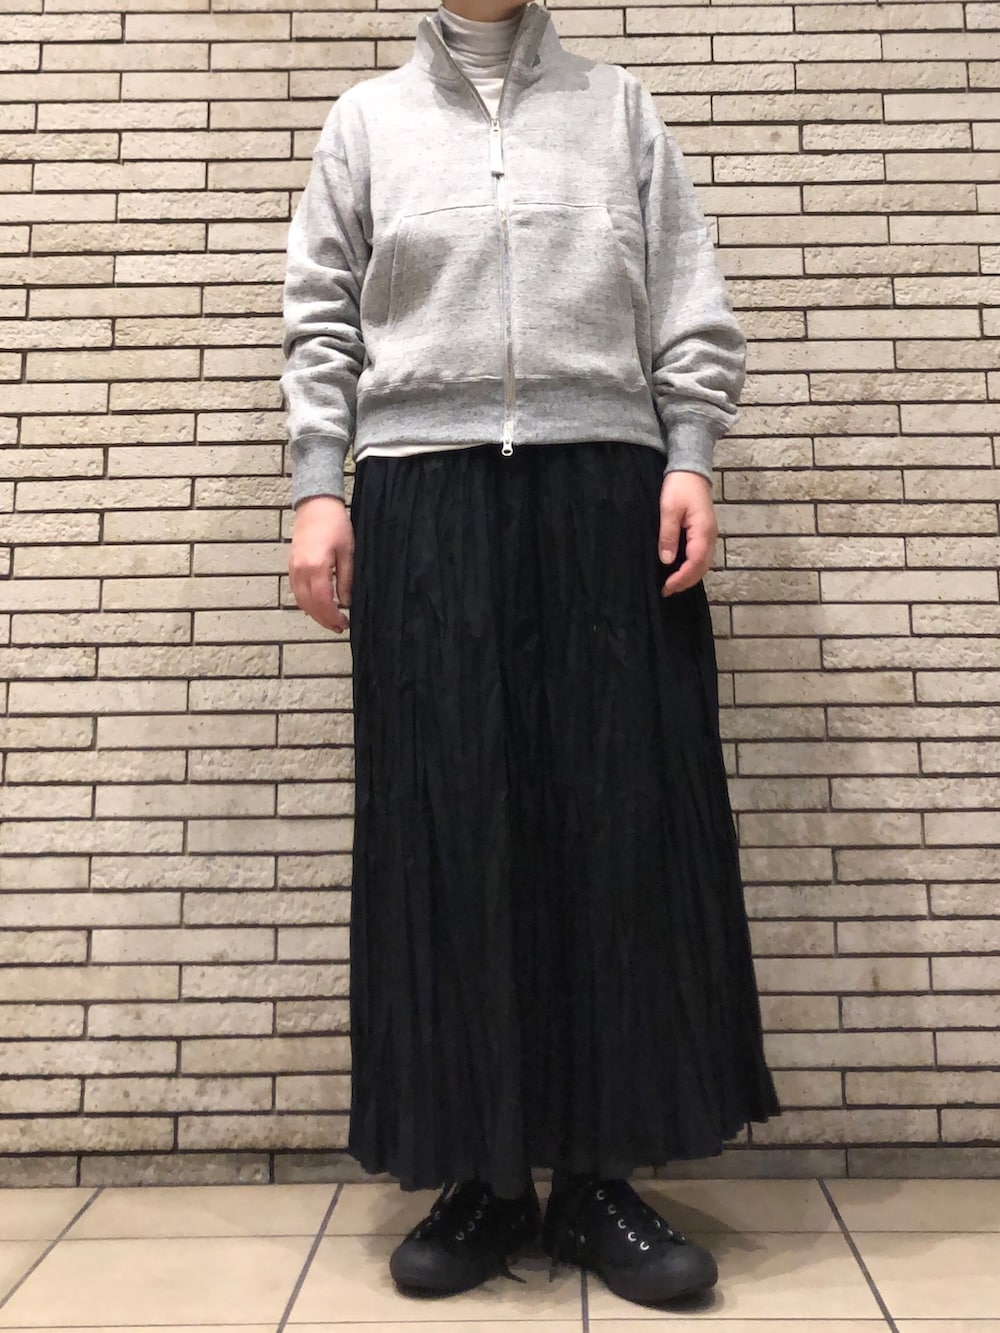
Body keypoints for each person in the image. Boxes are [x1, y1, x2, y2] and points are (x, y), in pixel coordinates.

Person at [281, 0, 782, 1309]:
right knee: (447, 834)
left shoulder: (619, 109)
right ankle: (484, 1175)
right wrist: (320, 484)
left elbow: (686, 294)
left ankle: (600, 1176)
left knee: (618, 828)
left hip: (606, 493)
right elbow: (322, 317)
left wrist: (690, 456)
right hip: (426, 492)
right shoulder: (367, 123)